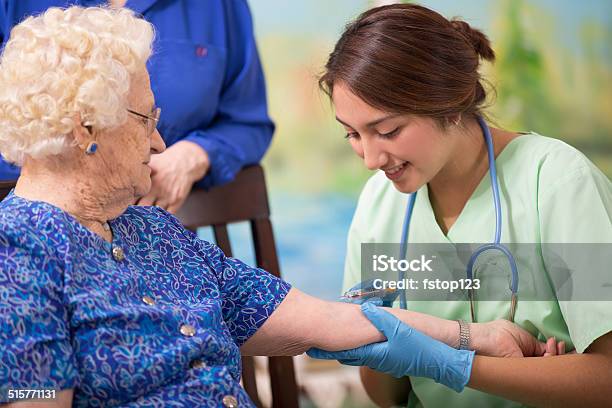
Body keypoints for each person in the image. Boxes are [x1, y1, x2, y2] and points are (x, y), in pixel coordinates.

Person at [0, 6, 557, 407]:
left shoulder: (151, 232)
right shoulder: (19, 252)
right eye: (147, 119)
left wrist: (474, 340)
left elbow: (328, 321)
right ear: (86, 129)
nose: (160, 143)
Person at [307, 3, 612, 408]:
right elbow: (386, 396)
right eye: (352, 135)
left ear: (449, 104)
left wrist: (455, 364)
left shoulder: (559, 183)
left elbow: (605, 380)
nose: (370, 159)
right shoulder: (380, 203)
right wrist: (377, 342)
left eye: (388, 130)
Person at [0, 0, 274, 213]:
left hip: (160, 237)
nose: (158, 144)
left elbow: (247, 122)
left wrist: (194, 155)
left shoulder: (218, 7)